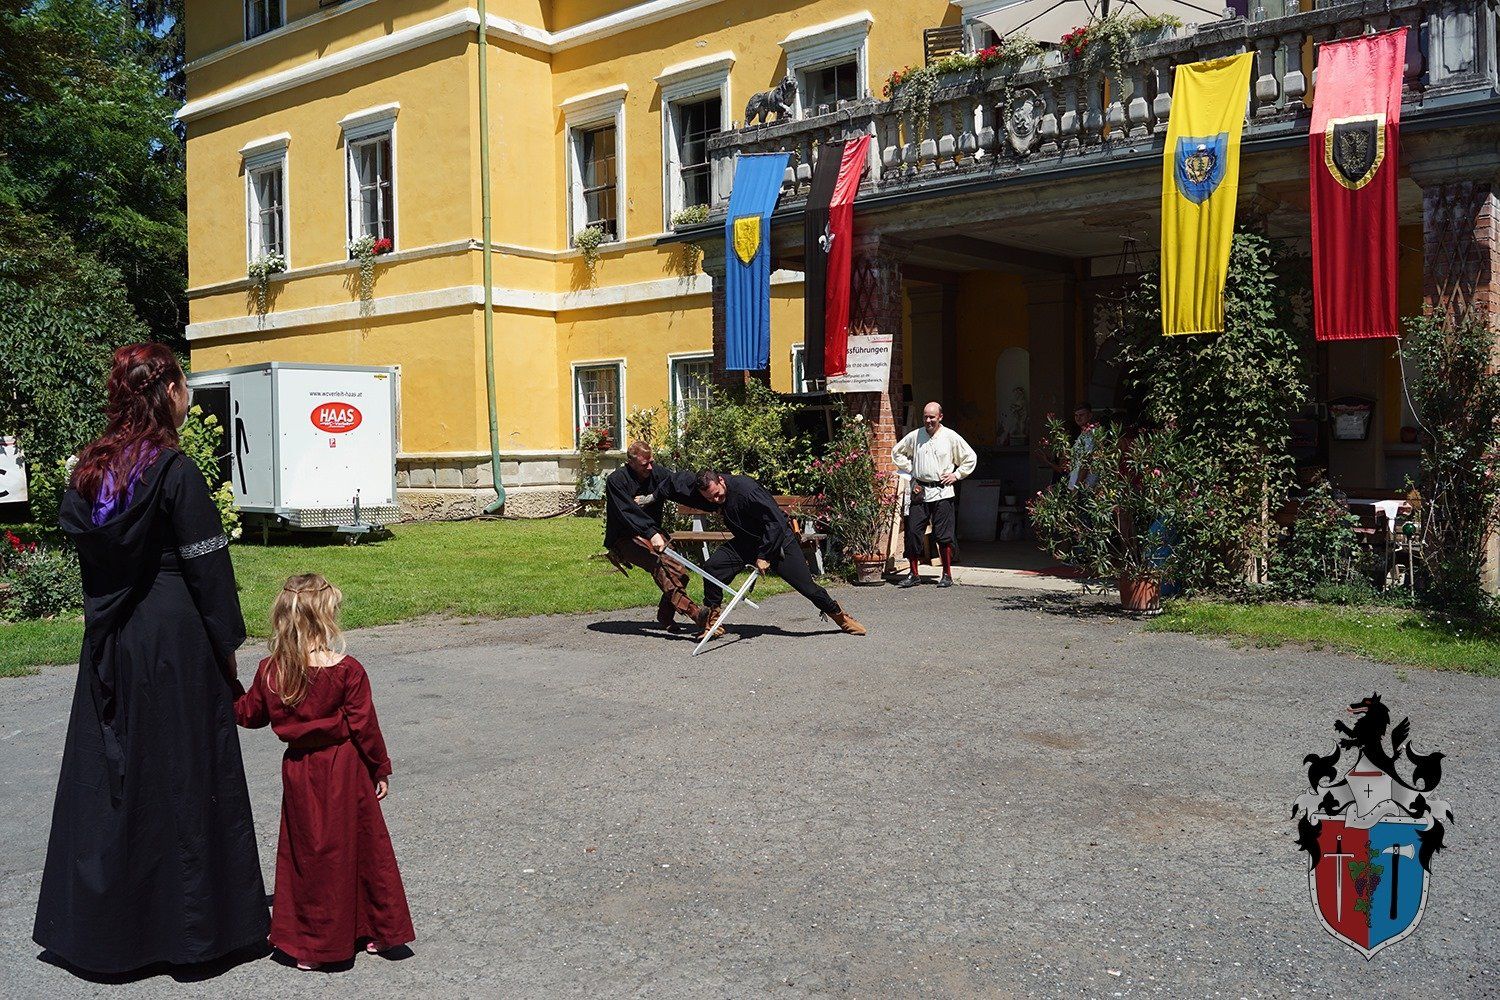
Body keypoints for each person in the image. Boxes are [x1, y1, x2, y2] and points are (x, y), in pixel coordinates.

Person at [34, 343, 269, 974]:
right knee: (186, 774)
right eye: (185, 385)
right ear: (165, 391)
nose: (189, 396)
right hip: (174, 637)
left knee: (116, 775)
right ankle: (192, 932)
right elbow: (207, 571)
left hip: (112, 635)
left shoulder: (91, 471)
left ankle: (111, 930)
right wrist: (227, 646)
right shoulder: (174, 471)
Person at [235, 574, 416, 970]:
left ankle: (311, 944)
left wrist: (227, 681)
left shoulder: (271, 670)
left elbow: (248, 715)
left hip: (300, 770)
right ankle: (373, 930)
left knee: (310, 854)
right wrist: (379, 768)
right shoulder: (347, 669)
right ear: (326, 620)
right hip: (346, 767)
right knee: (360, 846)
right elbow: (365, 726)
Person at [684, 470, 866, 636]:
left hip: (778, 542)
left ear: (721, 481)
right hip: (746, 543)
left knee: (808, 588)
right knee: (712, 568)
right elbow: (676, 485)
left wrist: (764, 556)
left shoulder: (747, 490)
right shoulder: (712, 492)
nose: (715, 500)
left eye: (717, 495)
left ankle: (838, 615)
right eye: (710, 499)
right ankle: (713, 621)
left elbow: (776, 522)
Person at [603, 440, 717, 634]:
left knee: (680, 572)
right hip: (625, 538)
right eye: (644, 464)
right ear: (630, 462)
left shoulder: (657, 473)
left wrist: (712, 500)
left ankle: (665, 615)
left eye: (651, 462)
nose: (649, 467)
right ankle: (696, 614)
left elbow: (678, 486)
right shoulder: (617, 481)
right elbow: (627, 512)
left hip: (653, 533)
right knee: (660, 565)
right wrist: (651, 533)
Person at [891, 402, 978, 588]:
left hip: (943, 492)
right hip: (919, 491)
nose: (928, 420)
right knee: (913, 533)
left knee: (943, 535)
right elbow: (896, 452)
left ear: (940, 417)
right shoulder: (916, 436)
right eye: (926, 417)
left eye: (932, 417)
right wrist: (911, 469)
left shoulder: (950, 437)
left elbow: (970, 457)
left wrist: (956, 475)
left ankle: (947, 575)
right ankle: (914, 574)